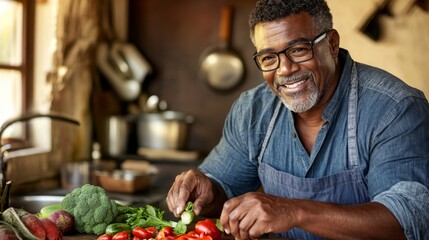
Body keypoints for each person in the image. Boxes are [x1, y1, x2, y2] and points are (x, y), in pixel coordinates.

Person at [166, 0, 429, 239]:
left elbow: (405, 221)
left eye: (299, 50)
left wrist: (294, 211)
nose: (285, 69)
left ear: (332, 44)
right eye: (269, 57)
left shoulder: (395, 109)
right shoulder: (253, 111)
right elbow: (224, 189)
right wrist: (206, 191)